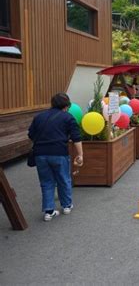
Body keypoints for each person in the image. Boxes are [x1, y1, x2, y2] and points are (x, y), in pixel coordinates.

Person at [28, 93, 83, 221]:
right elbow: (76, 137)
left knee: (46, 182)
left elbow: (31, 135)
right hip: (59, 153)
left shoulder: (39, 117)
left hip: (40, 154)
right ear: (67, 105)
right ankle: (67, 206)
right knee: (63, 179)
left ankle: (49, 211)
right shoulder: (68, 117)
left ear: (52, 103)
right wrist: (80, 155)